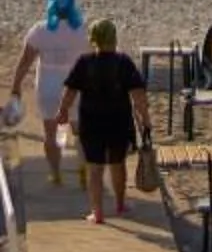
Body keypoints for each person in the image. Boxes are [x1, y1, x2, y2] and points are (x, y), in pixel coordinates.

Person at [55, 20, 151, 226]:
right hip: (118, 121)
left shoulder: (84, 62)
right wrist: (146, 119)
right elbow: (138, 94)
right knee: (118, 164)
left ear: (94, 39)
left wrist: (62, 111)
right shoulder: (123, 62)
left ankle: (97, 213)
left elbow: (70, 90)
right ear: (114, 38)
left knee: (95, 169)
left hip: (91, 122)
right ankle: (120, 203)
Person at [9, 0, 91, 186]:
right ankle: (83, 170)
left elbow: (25, 60)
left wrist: (16, 86)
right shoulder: (81, 30)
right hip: (76, 87)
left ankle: (55, 173)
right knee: (80, 131)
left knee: (50, 133)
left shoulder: (40, 30)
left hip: (48, 87)